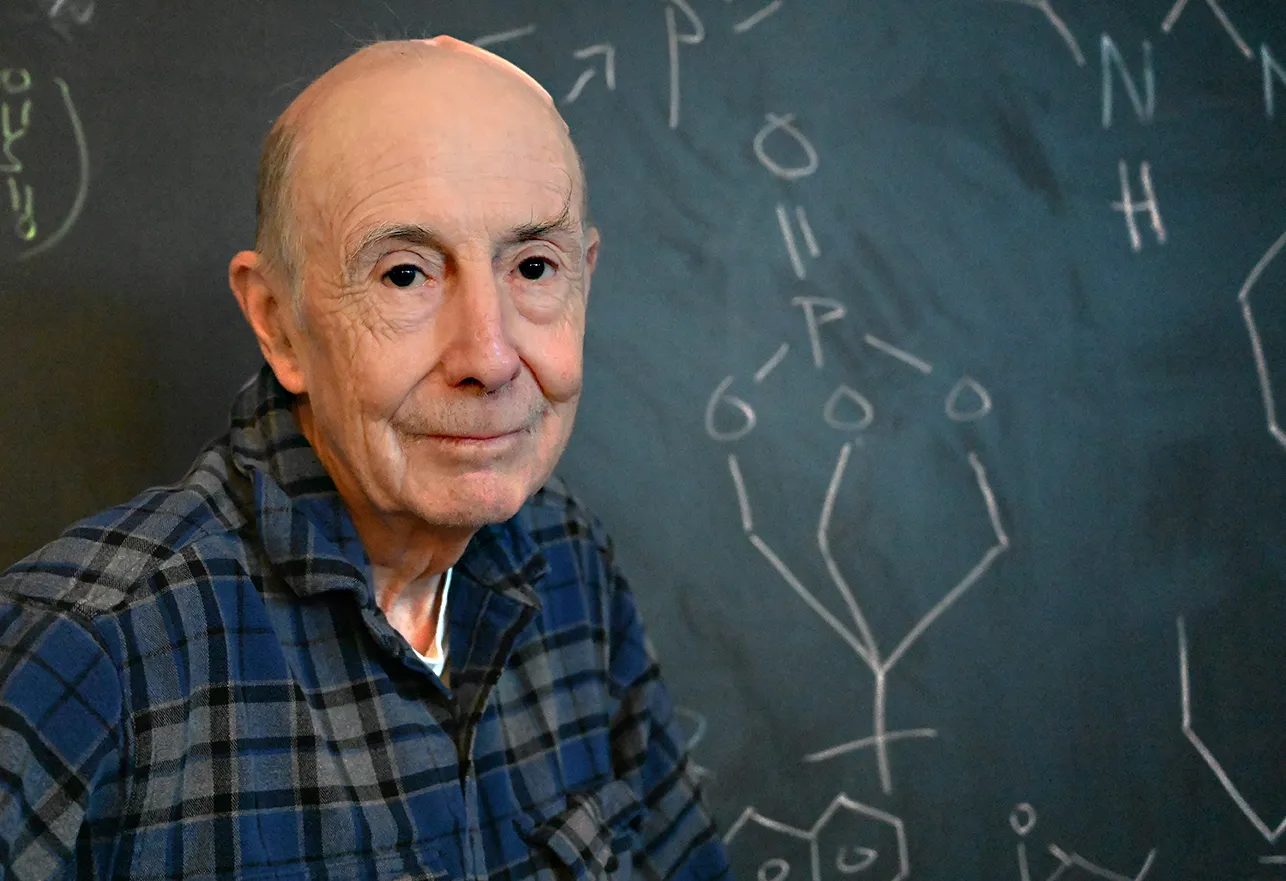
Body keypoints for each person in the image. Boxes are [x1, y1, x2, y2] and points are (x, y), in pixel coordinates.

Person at [0, 37, 732, 880]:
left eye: (533, 266)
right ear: (278, 323)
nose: (489, 356)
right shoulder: (88, 648)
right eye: (405, 275)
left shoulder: (572, 569)